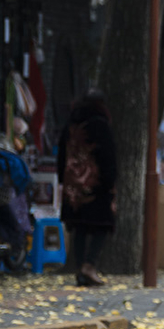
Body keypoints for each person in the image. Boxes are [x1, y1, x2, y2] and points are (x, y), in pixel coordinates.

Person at [56, 91, 117, 287]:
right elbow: (108, 156)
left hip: (73, 185)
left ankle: (80, 266)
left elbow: (61, 154)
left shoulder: (71, 125)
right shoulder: (100, 125)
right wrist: (110, 181)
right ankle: (89, 266)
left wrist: (63, 180)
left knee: (80, 226)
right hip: (95, 184)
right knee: (103, 224)